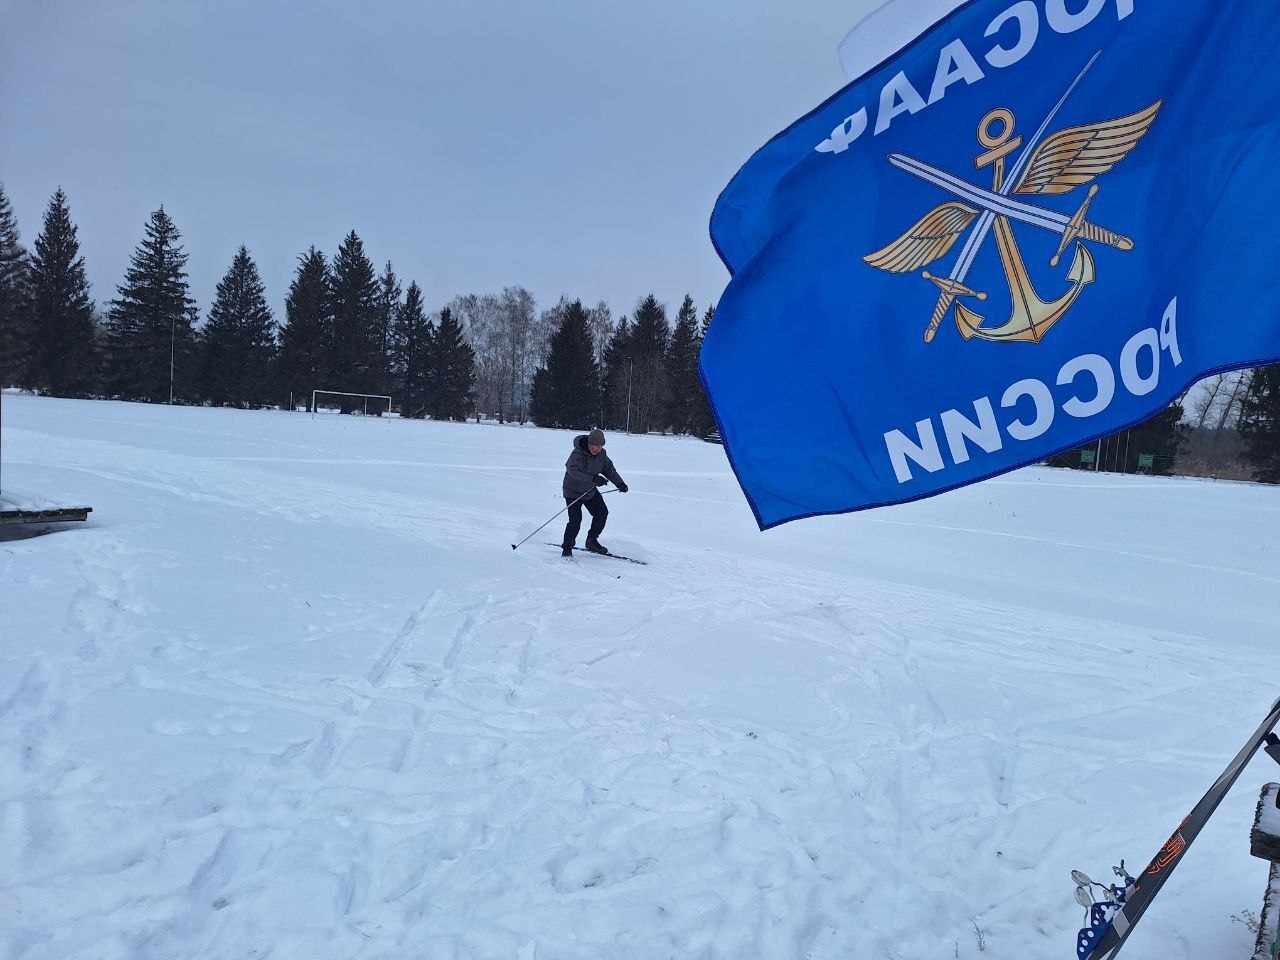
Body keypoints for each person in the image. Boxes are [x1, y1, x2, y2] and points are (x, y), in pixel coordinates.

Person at [561, 428, 628, 557]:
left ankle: (591, 541)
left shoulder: (602, 454)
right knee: (575, 520)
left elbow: (609, 469)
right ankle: (567, 547)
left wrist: (620, 483)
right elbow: (573, 470)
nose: (598, 449)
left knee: (601, 513)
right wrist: (594, 478)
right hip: (572, 491)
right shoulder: (577, 453)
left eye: (600, 446)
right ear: (589, 444)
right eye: (595, 446)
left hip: (589, 491)